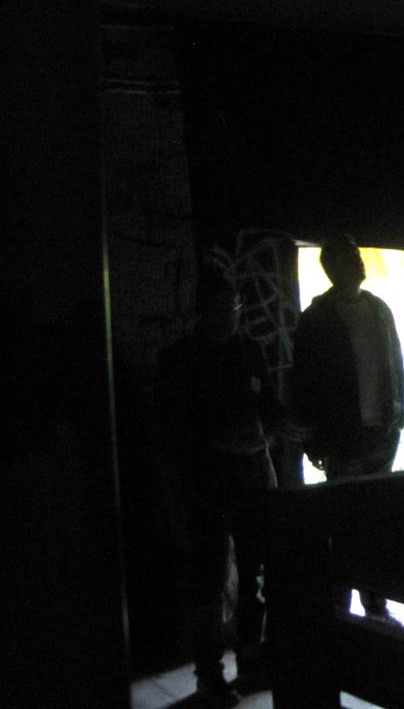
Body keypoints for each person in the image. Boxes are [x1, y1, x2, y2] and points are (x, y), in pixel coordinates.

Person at [156, 267, 281, 707]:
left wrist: (277, 429)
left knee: (251, 572)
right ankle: (212, 674)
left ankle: (246, 661)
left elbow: (269, 407)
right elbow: (171, 431)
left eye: (235, 307)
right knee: (211, 579)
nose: (232, 314)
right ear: (204, 309)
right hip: (208, 483)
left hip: (246, 474)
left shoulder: (246, 349)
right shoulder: (183, 359)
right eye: (224, 307)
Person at [292, 235, 404, 618]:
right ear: (333, 267)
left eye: (357, 255)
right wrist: (314, 440)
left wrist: (399, 409)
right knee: (346, 524)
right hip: (343, 438)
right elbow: (304, 382)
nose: (359, 262)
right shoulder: (316, 319)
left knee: (373, 523)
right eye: (351, 257)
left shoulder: (379, 309)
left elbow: (396, 362)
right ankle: (342, 613)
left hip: (380, 434)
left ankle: (373, 607)